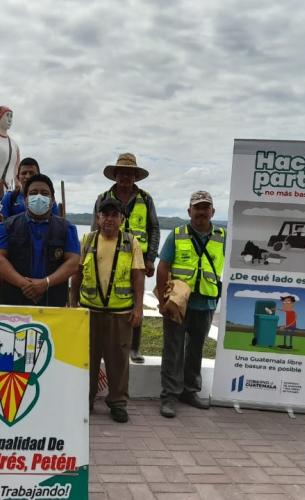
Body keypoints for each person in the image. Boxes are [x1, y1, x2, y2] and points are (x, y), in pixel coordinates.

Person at [71, 198, 144, 423]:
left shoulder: (131, 243)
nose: (109, 219)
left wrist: (138, 307)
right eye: (105, 215)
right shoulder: (87, 240)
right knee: (87, 359)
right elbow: (77, 273)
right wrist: (72, 303)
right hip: (89, 312)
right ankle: (86, 400)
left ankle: (117, 402)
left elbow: (138, 276)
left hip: (120, 314)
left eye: (114, 215)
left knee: (119, 361)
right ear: (98, 218)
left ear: (122, 219)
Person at [157, 191, 225, 418]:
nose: (201, 212)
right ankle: (169, 395)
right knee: (173, 349)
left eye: (206, 208)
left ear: (212, 212)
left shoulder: (222, 237)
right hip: (178, 304)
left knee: (196, 349)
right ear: (189, 212)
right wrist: (162, 302)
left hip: (205, 304)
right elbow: (163, 267)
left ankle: (190, 390)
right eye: (197, 208)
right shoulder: (176, 235)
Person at [92, 153, 160, 364]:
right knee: (108, 297)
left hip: (137, 257)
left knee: (136, 299)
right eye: (121, 173)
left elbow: (154, 228)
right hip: (108, 254)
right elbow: (95, 228)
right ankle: (104, 345)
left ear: (135, 177)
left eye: (129, 173)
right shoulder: (103, 198)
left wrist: (150, 258)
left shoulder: (146, 199)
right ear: (115, 175)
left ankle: (134, 347)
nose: (125, 177)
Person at [0, 174, 79, 307]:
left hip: (53, 304)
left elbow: (73, 262)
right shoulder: (7, 226)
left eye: (44, 193)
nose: (38, 197)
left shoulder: (67, 228)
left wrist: (46, 283)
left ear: (52, 200)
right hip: (14, 304)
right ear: (25, 200)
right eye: (33, 193)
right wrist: (24, 284)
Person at [0, 157, 60, 222]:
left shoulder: (47, 199)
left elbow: (57, 223)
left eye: (31, 173)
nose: (28, 176)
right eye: (24, 173)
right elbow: (3, 223)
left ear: (38, 175)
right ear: (18, 177)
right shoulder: (10, 197)